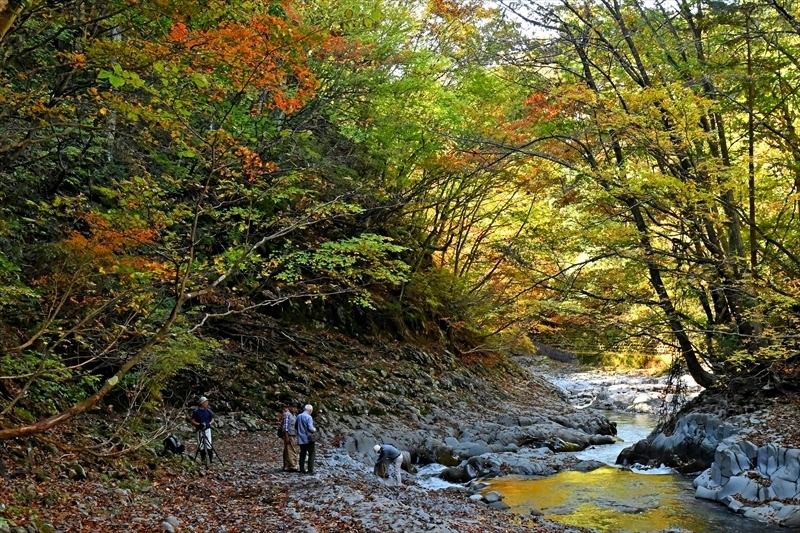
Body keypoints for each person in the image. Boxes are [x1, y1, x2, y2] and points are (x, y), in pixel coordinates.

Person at [191, 396, 215, 466]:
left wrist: (209, 423)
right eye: (206, 402)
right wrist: (199, 424)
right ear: (202, 403)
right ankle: (203, 459)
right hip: (199, 430)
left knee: (209, 444)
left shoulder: (208, 411)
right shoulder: (196, 412)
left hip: (207, 430)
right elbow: (192, 421)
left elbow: (212, 418)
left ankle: (211, 459)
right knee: (201, 445)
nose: (207, 403)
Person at [296, 404, 316, 474]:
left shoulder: (298, 416)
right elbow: (310, 428)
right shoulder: (309, 417)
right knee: (311, 453)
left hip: (301, 438)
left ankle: (301, 469)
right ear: (310, 410)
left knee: (302, 453)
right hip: (308, 439)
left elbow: (296, 426)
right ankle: (310, 470)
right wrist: (314, 429)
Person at [282, 400, 300, 472]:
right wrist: (286, 436)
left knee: (288, 450)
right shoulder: (287, 415)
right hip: (289, 435)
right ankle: (293, 465)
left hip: (293, 434)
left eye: (296, 407)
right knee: (291, 450)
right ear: (290, 407)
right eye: (294, 407)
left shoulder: (294, 415)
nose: (295, 409)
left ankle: (287, 465)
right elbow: (285, 427)